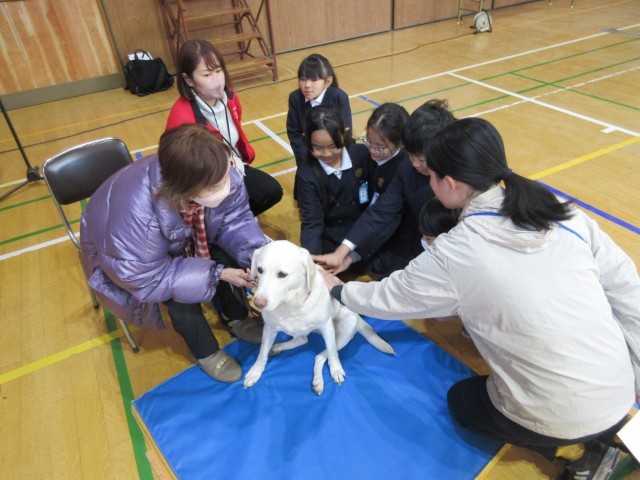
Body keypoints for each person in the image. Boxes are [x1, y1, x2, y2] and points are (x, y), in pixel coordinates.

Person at [323, 117, 639, 480]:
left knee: (463, 403)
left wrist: (337, 289)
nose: (428, 182)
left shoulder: (459, 249)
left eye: (432, 176)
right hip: (621, 389)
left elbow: (389, 297)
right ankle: (608, 435)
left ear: (450, 184)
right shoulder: (559, 210)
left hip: (564, 414)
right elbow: (627, 289)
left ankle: (579, 455)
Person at [80, 124, 269, 383]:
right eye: (215, 186)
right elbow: (149, 278)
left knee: (227, 258)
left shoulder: (215, 170)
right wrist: (217, 274)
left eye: (226, 176)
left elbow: (235, 220)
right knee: (181, 299)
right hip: (135, 259)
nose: (227, 185)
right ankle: (206, 351)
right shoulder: (137, 217)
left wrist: (260, 258)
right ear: (183, 189)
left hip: (180, 238)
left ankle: (235, 317)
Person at [313, 99, 455, 276]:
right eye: (410, 155)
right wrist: (343, 253)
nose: (415, 164)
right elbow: (383, 210)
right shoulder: (406, 167)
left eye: (421, 159)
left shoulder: (459, 181)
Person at [166, 38, 283, 217]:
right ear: (188, 79)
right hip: (206, 181)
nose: (217, 80)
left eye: (219, 70)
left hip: (233, 166)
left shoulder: (231, 98)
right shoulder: (181, 118)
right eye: (207, 75)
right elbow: (182, 170)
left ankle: (236, 217)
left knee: (271, 191)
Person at [297, 104, 374, 257]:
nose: (327, 154)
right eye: (318, 148)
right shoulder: (307, 175)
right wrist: (311, 259)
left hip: (365, 227)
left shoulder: (361, 154)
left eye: (333, 146)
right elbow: (312, 222)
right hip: (332, 236)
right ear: (307, 140)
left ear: (344, 134)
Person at [286, 53, 352, 198]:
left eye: (314, 80)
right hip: (308, 157)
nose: (307, 85)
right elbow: (294, 132)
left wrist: (330, 155)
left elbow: (346, 134)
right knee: (306, 196)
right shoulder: (295, 98)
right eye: (302, 79)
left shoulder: (339, 97)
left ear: (327, 82)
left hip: (334, 157)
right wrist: (308, 157)